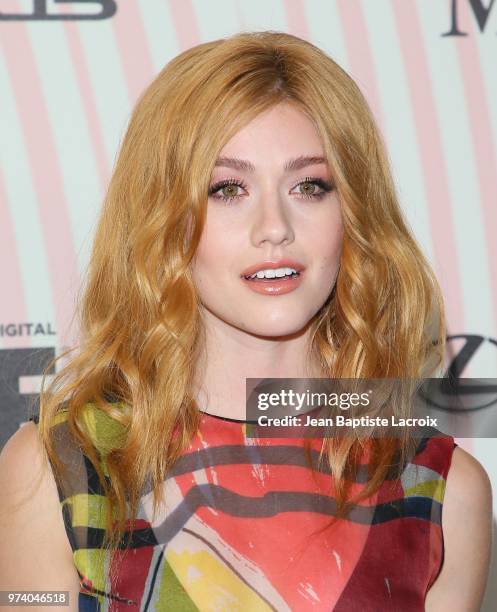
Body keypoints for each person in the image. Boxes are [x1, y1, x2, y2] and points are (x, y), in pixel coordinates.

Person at [0, 30, 492, 611]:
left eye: (309, 186)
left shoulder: (438, 489)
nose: (274, 226)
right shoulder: (61, 468)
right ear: (163, 217)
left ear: (353, 212)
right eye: (227, 188)